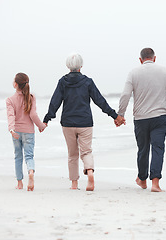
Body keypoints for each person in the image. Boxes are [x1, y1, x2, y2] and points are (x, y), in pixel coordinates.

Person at [43, 53, 125, 191]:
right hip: (85, 123)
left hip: (68, 123)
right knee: (86, 151)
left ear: (68, 66)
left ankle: (74, 184)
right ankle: (90, 172)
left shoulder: (63, 82)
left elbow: (55, 102)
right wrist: (114, 116)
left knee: (72, 154)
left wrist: (47, 119)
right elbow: (100, 100)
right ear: (81, 66)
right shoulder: (87, 82)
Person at [117, 48, 166, 192]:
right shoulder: (165, 71)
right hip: (160, 117)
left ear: (140, 60)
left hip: (141, 118)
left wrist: (120, 114)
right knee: (158, 148)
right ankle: (155, 183)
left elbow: (125, 94)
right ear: (154, 58)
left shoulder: (133, 73)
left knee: (143, 149)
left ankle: (143, 180)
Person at [6, 72, 46, 191]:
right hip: (29, 132)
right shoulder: (31, 97)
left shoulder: (10, 100)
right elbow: (33, 115)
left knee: (18, 156)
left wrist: (12, 129)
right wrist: (41, 126)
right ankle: (31, 172)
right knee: (29, 156)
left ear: (15, 84)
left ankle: (19, 183)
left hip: (16, 132)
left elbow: (11, 116)